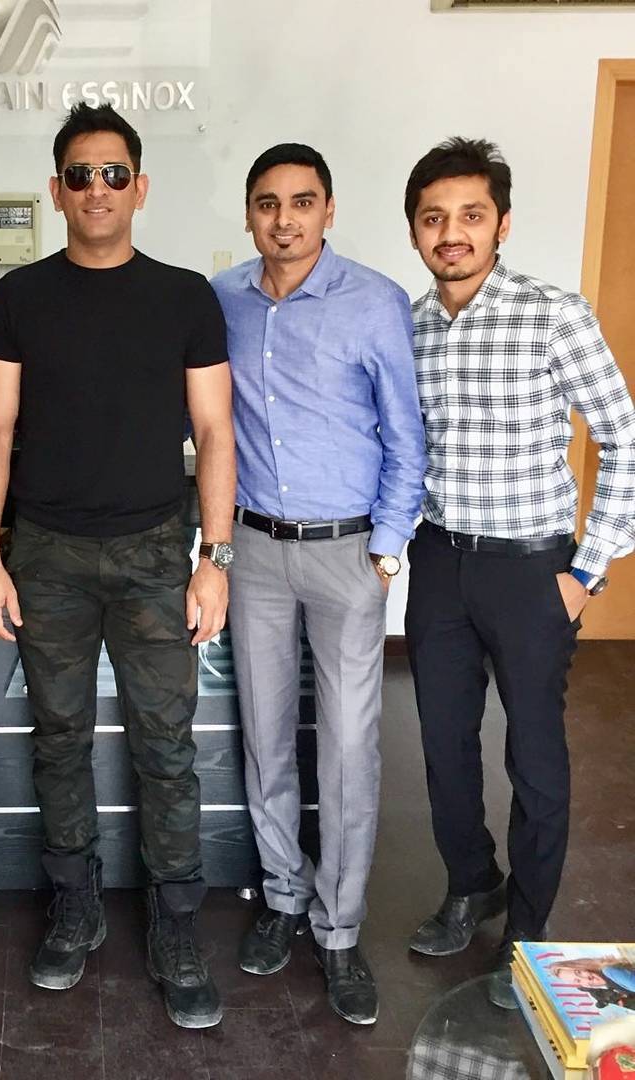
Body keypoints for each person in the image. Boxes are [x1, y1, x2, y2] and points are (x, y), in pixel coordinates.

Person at [0, 103, 235, 1030]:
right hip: (45, 555)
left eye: (114, 173)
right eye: (79, 175)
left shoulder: (184, 297)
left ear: (141, 187)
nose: (97, 190)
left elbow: (214, 430)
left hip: (160, 552)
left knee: (167, 751)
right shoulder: (19, 297)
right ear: (56, 190)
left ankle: (175, 925)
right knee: (59, 742)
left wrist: (216, 558)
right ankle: (74, 906)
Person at [403, 137, 635, 1009]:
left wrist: (588, 568)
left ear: (502, 224)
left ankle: (529, 931)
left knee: (534, 756)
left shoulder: (554, 313)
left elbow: (626, 435)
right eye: (434, 219)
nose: (451, 233)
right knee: (441, 744)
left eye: (469, 216)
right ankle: (474, 885)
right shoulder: (411, 324)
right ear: (416, 231)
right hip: (439, 564)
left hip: (535, 571)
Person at [210, 143, 426, 1026]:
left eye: (302, 202)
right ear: (250, 213)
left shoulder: (375, 302)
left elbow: (406, 436)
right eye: (268, 203)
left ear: (329, 209)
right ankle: (282, 898)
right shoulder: (220, 299)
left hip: (347, 555)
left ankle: (339, 932)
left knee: (345, 749)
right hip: (255, 551)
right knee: (264, 737)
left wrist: (385, 548)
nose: (285, 219)